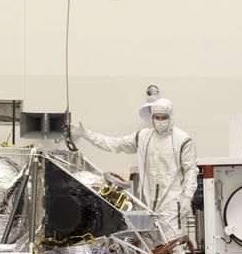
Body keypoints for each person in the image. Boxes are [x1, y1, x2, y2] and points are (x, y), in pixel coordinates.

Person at [71, 97, 197, 236]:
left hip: (172, 205)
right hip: (147, 204)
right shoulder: (143, 137)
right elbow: (114, 144)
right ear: (152, 117)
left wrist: (187, 198)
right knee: (150, 245)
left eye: (164, 117)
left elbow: (191, 170)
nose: (160, 121)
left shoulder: (183, 140)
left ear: (171, 116)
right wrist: (87, 134)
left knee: (173, 244)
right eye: (157, 117)